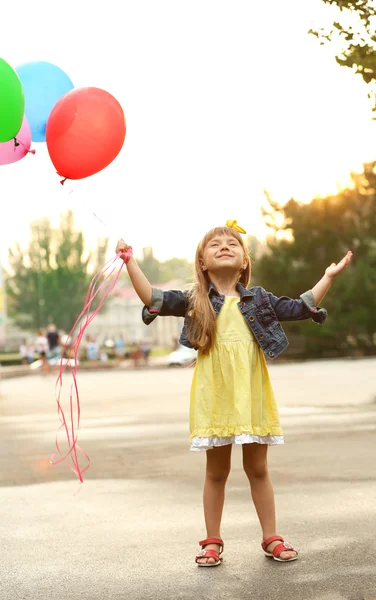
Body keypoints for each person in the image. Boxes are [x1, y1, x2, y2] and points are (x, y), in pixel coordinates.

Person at [115, 221, 353, 567]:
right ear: (202, 262)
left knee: (258, 468)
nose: (224, 246)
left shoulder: (260, 299)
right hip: (217, 395)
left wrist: (328, 277)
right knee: (216, 472)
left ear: (244, 261)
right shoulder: (195, 301)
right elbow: (152, 297)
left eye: (232, 244)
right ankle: (212, 541)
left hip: (251, 392)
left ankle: (271, 536)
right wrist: (129, 261)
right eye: (215, 245)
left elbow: (300, 307)